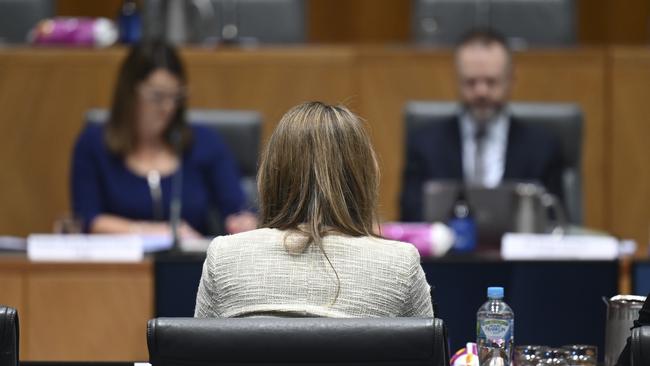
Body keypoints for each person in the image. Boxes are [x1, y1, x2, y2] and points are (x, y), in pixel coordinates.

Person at [194, 102, 433, 318]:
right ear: (363, 178)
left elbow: (193, 357)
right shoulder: (399, 264)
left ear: (271, 175)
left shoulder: (224, 257)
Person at [71, 40, 257, 237]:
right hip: (117, 265)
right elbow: (88, 220)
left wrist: (244, 221)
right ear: (130, 92)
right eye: (157, 96)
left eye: (175, 97)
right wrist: (159, 232)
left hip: (190, 265)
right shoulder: (93, 145)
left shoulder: (205, 143)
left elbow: (237, 207)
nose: (168, 107)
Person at [400, 28, 564, 221]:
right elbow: (411, 216)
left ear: (511, 80)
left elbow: (555, 218)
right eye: (471, 82)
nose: (481, 92)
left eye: (491, 82)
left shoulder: (542, 146)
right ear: (457, 81)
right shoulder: (425, 144)